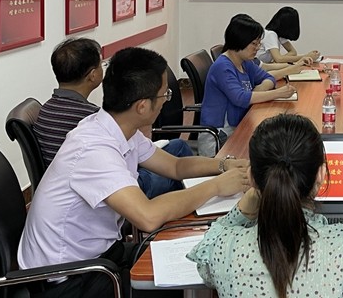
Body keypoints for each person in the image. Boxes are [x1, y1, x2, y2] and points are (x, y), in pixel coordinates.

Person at [18, 47, 250, 298]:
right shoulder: (93, 149)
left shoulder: (117, 127)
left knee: (185, 263)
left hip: (99, 254)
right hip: (67, 279)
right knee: (174, 283)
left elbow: (175, 166)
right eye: (165, 94)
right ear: (142, 106)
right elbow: (147, 217)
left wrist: (224, 165)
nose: (167, 100)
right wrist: (216, 186)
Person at [187, 113, 343, 298]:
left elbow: (207, 265)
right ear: (321, 175)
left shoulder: (224, 249)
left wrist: (243, 208)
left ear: (252, 178)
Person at [33, 37, 193, 198]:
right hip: (112, 185)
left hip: (90, 179)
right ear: (93, 75)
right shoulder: (93, 120)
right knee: (177, 158)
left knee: (176, 149)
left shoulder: (44, 110)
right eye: (101, 64)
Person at [199, 14, 296, 157]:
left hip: (238, 126)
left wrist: (258, 90)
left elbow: (268, 77)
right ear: (240, 41)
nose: (258, 48)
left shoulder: (245, 62)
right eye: (254, 44)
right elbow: (240, 98)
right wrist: (278, 93)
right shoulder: (223, 67)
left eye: (258, 43)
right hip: (219, 138)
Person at [256, 6, 320, 65]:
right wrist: (306, 56)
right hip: (258, 67)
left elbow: (293, 52)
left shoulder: (279, 35)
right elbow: (279, 59)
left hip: (266, 66)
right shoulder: (270, 34)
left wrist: (280, 59)